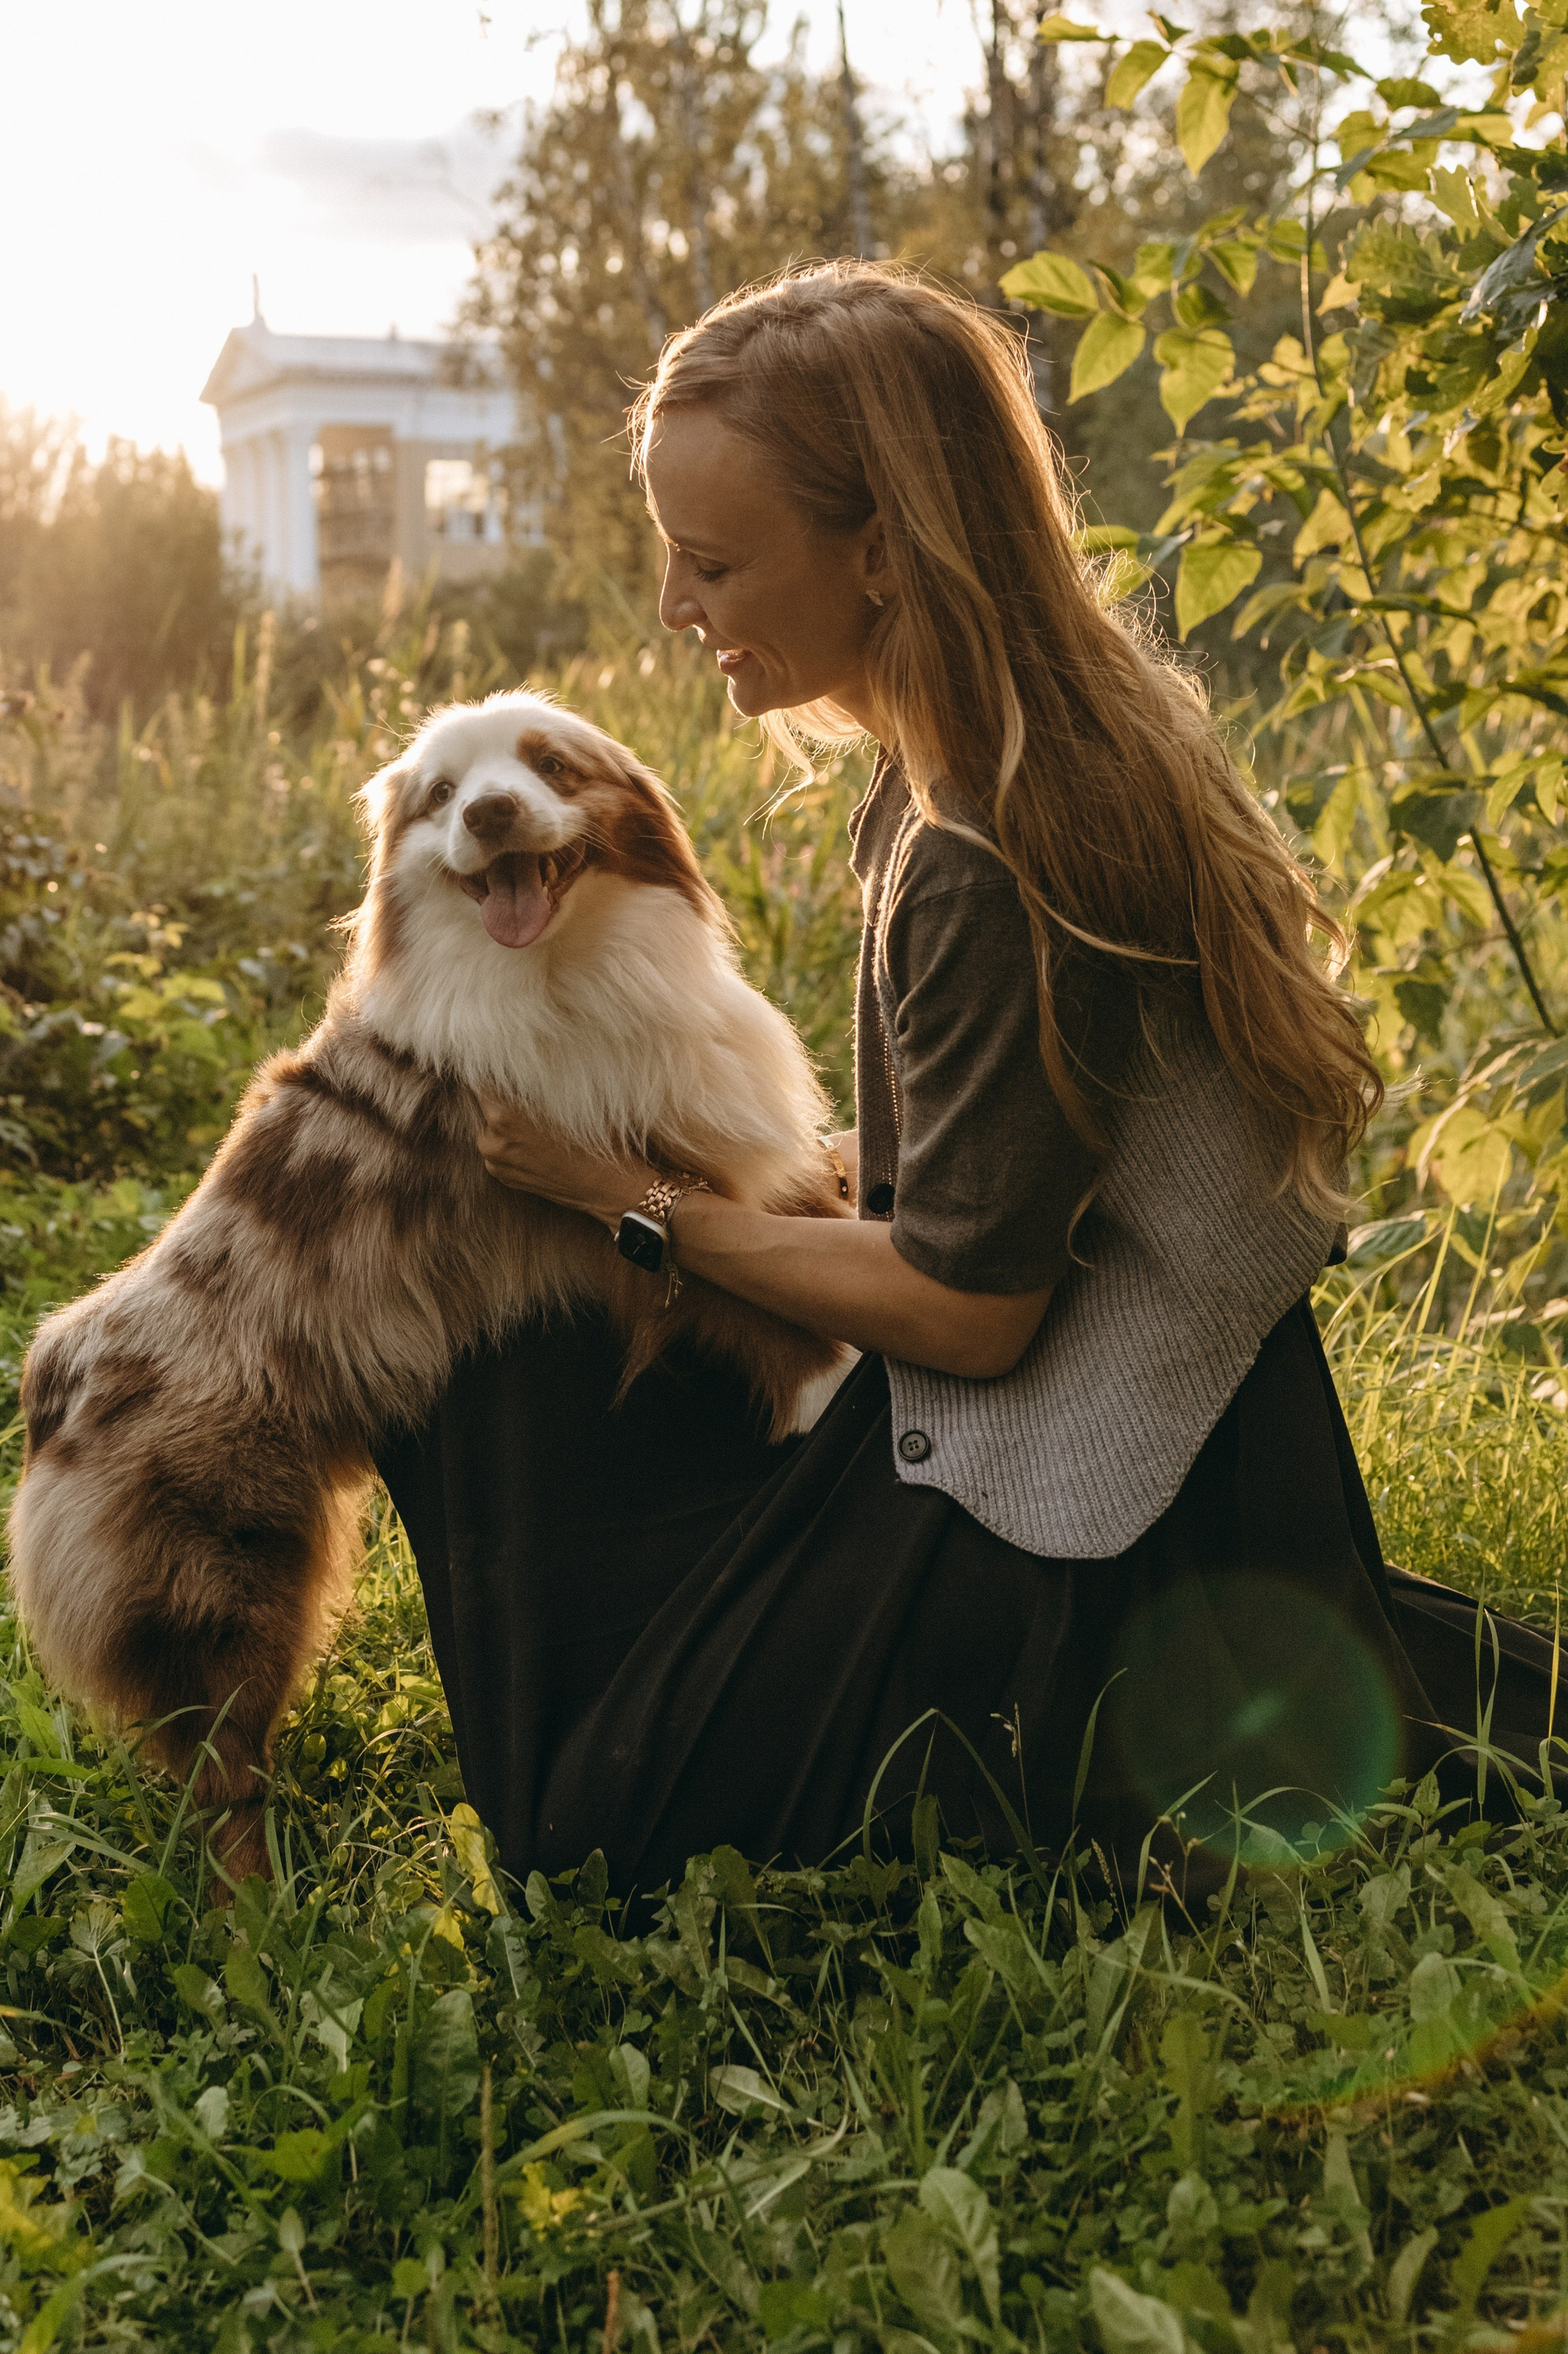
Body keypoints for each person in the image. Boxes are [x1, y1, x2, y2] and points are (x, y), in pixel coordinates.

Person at [374, 266, 1558, 1897]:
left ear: (881, 547)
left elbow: (968, 1313)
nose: (671, 602)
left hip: (1085, 1499)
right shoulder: (986, 753)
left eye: (712, 560)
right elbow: (1028, 1143)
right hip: (1202, 1440)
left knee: (597, 1833)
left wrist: (633, 1201)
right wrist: (804, 1166)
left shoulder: (978, 848)